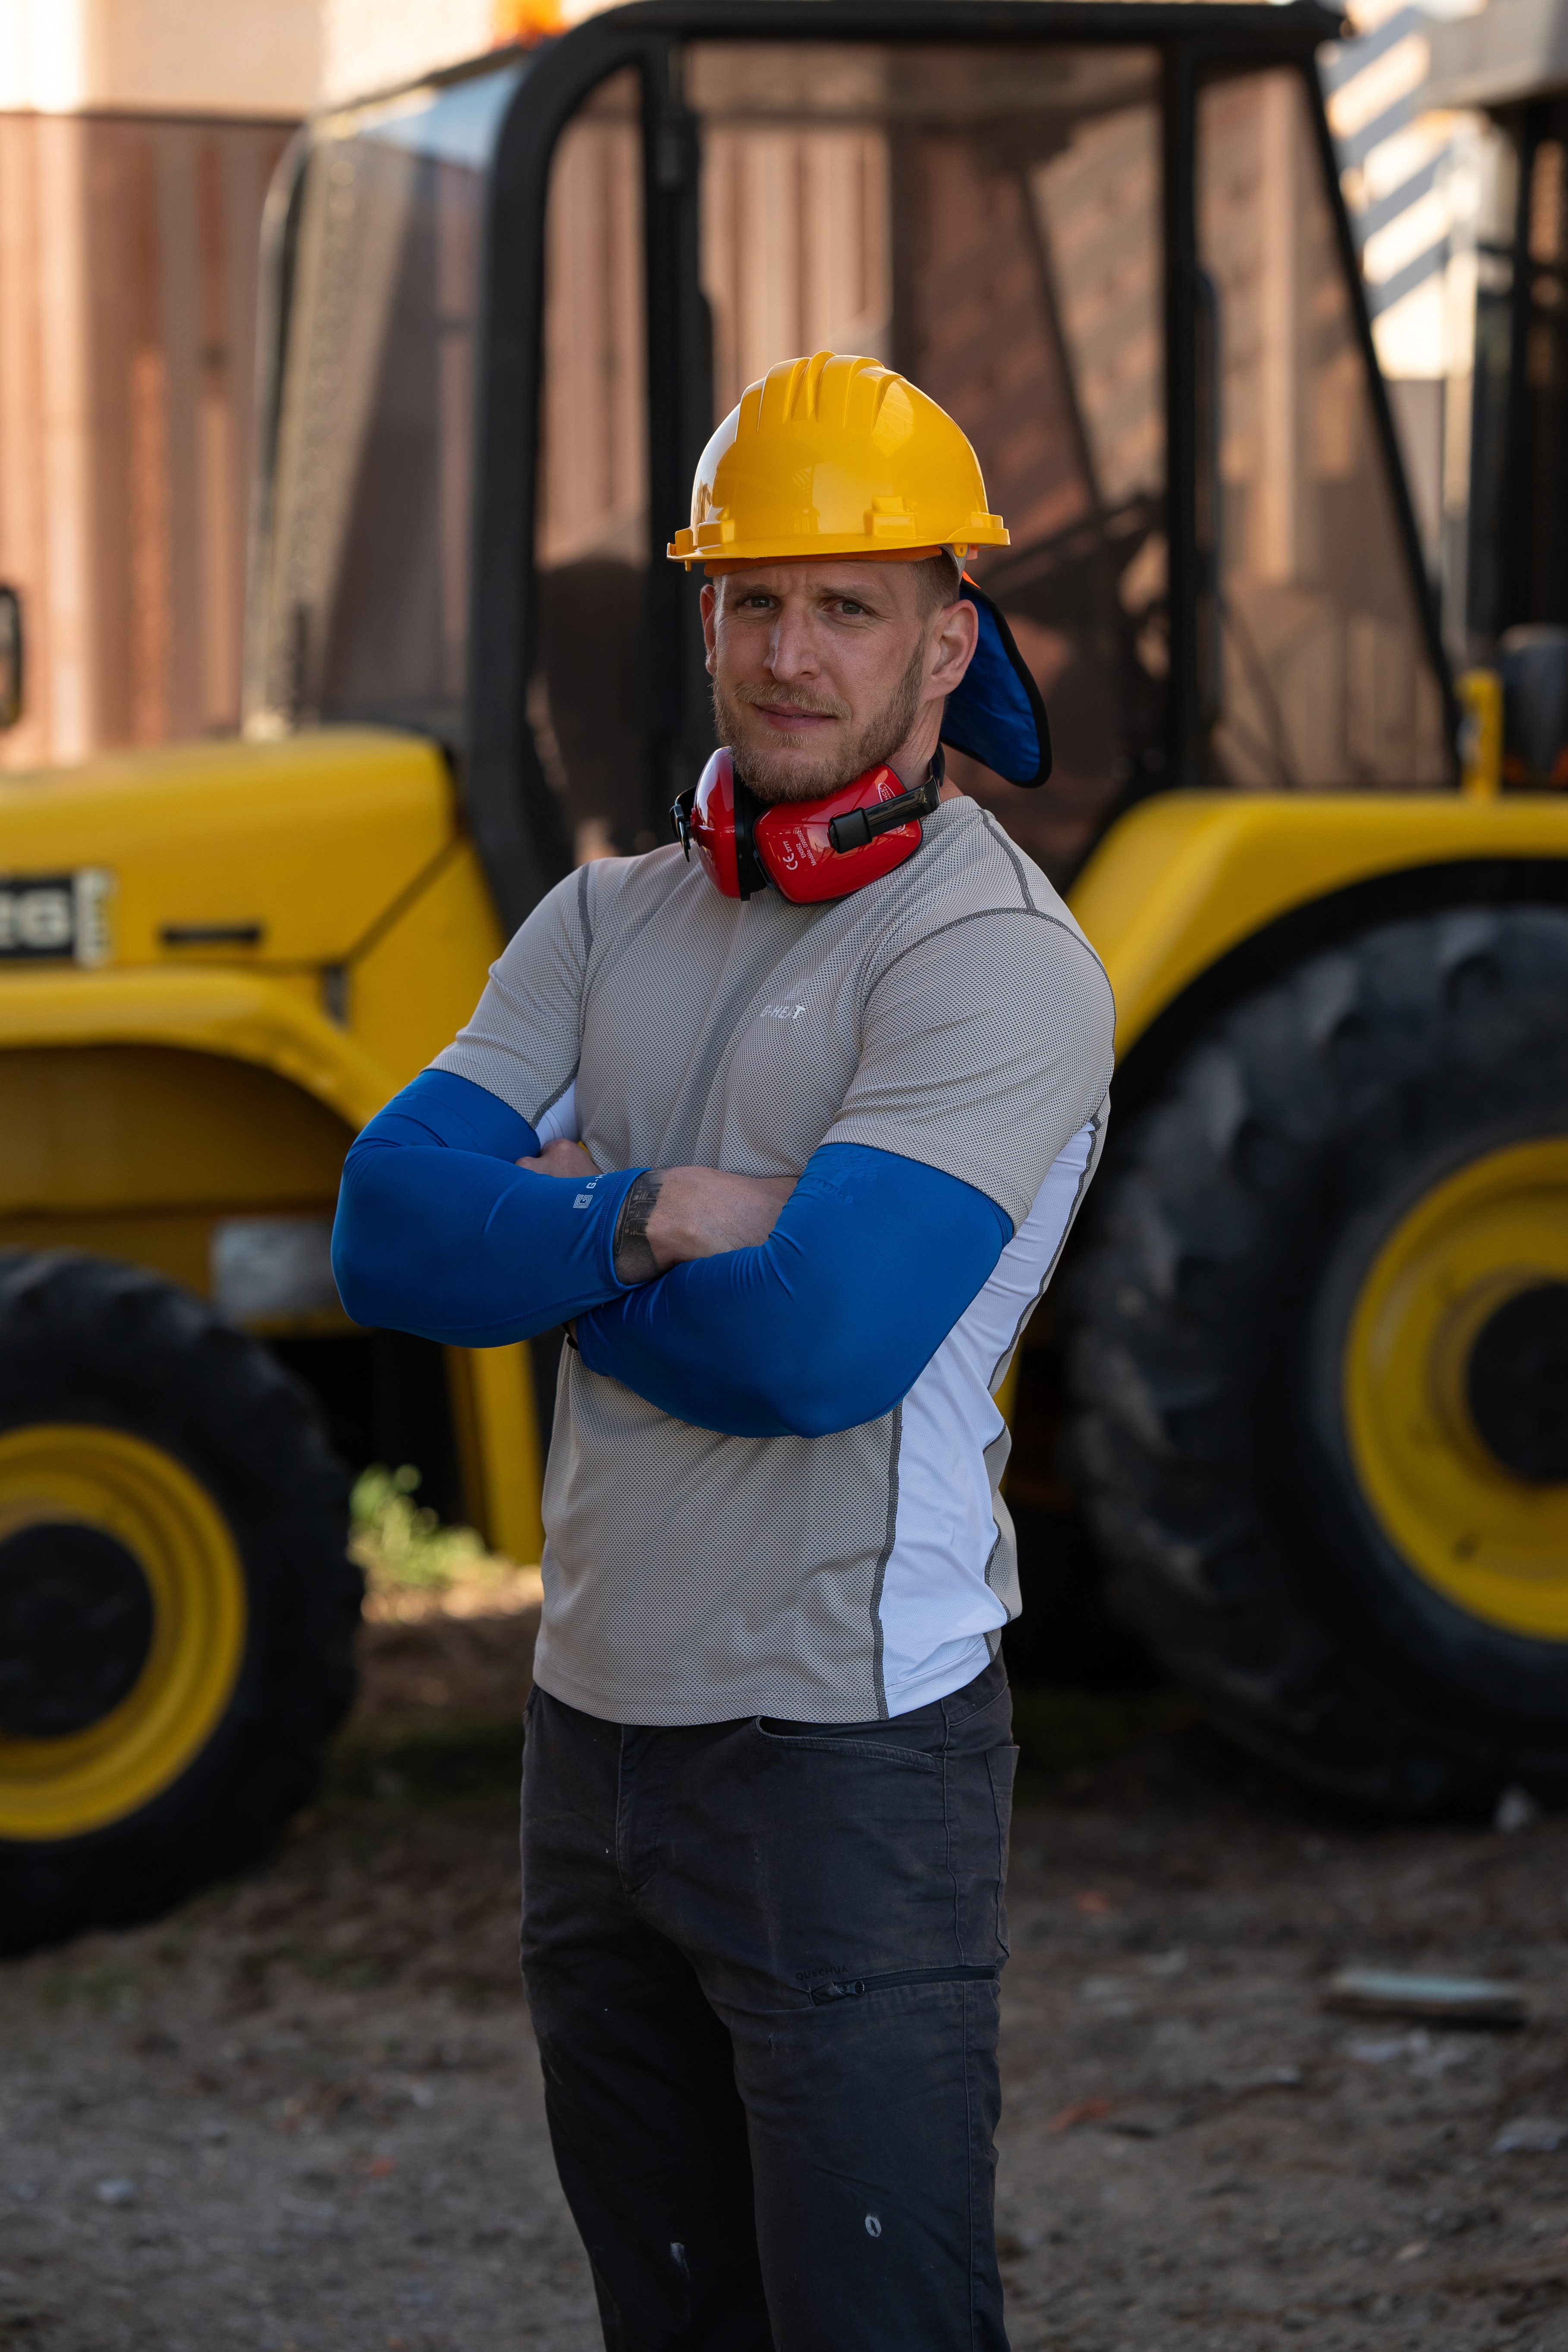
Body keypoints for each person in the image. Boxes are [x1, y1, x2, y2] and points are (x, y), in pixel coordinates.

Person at [332, 350, 1116, 2352]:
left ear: (951, 644)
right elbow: (385, 1230)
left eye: (846, 605)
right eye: (751, 598)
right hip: (587, 1740)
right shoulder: (602, 919)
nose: (789, 651)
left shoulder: (990, 957)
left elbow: (817, 1346)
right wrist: (648, 1212)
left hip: (843, 1757)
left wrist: (552, 1250)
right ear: (706, 615)